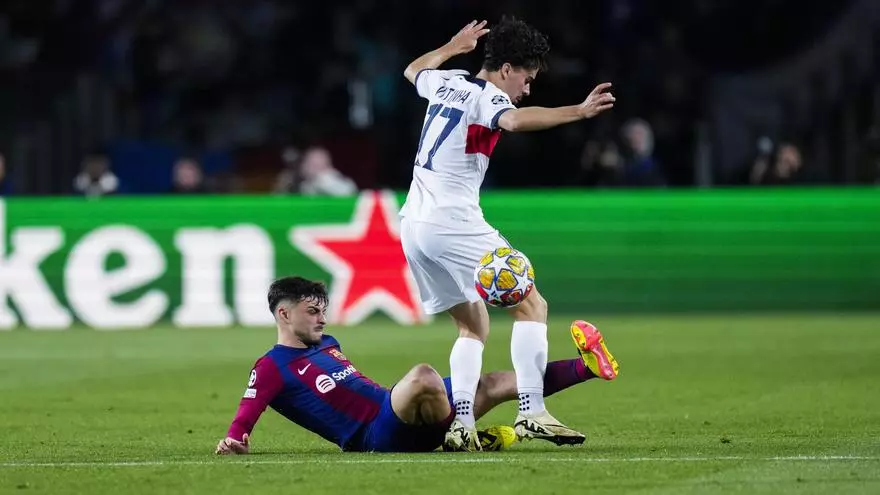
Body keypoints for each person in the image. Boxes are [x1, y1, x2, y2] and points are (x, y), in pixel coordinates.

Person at [398, 16, 618, 450]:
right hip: (453, 221)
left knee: (473, 326)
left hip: (414, 226)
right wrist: (579, 111)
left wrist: (452, 45)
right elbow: (514, 122)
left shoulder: (447, 81)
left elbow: (412, 70)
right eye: (527, 78)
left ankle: (460, 423)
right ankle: (532, 411)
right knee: (533, 305)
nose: (527, 89)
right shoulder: (488, 96)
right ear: (506, 69)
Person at [215, 276, 619, 454]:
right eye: (312, 312)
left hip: (392, 408)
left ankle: (588, 368)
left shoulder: (328, 344)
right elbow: (246, 414)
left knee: (486, 382)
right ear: (284, 315)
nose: (322, 319)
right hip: (371, 435)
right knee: (425, 375)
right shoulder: (271, 366)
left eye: (323, 311)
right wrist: (235, 439)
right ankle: (456, 434)